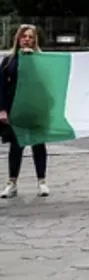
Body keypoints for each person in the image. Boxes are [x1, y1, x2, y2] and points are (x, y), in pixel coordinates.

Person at [0, 24, 48, 198]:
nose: (27, 39)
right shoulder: (9, 60)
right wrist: (2, 109)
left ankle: (42, 181)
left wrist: (31, 59)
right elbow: (1, 87)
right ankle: (12, 183)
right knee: (16, 145)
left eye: (30, 36)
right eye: (24, 36)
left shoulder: (41, 60)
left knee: (38, 144)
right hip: (15, 109)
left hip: (35, 108)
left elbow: (46, 81)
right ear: (18, 39)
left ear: (35, 40)